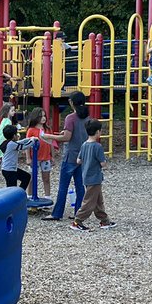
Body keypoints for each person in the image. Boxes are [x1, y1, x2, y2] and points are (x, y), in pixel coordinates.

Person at [44, 91, 91, 221]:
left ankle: (57, 213)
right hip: (83, 155)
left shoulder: (71, 118)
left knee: (63, 186)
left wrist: (49, 136)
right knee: (80, 186)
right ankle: (79, 213)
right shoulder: (88, 117)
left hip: (71, 155)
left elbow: (66, 137)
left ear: (71, 102)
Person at [71, 118, 115, 231]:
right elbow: (103, 163)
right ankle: (77, 221)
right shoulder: (97, 146)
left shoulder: (84, 145)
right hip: (95, 177)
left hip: (86, 176)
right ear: (98, 132)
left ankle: (104, 220)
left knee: (98, 200)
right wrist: (105, 164)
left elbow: (78, 161)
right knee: (89, 202)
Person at [25, 106, 57, 198]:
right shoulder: (31, 130)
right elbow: (27, 145)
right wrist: (28, 158)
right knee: (32, 178)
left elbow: (51, 143)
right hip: (34, 158)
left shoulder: (48, 129)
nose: (44, 118)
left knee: (46, 178)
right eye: (41, 116)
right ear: (36, 117)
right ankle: (29, 195)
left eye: (44, 116)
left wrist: (53, 156)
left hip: (46, 158)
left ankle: (47, 196)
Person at [0, 124, 33, 192]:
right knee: (11, 190)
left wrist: (29, 139)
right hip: (9, 171)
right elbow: (23, 147)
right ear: (14, 136)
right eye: (16, 134)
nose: (17, 135)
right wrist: (33, 141)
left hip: (9, 169)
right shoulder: (11, 144)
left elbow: (19, 142)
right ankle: (14, 199)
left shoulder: (8, 142)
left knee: (26, 177)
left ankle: (19, 194)